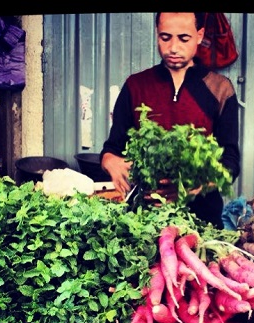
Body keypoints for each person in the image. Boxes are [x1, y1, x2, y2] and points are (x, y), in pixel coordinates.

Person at [100, 12, 240, 229]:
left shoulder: (220, 89)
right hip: (144, 222)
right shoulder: (136, 86)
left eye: (183, 38)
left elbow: (230, 162)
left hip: (202, 222)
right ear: (157, 33)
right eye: (165, 37)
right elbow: (112, 148)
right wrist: (110, 161)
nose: (173, 48)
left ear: (199, 35)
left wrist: (194, 185)